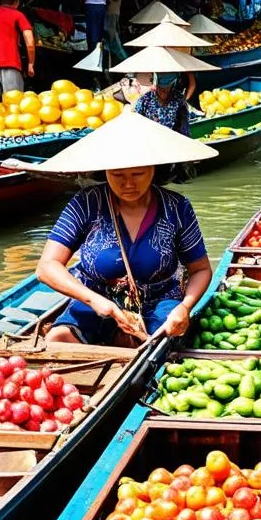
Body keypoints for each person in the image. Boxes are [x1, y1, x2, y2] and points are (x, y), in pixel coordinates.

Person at [35, 112, 215, 345]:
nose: (128, 184)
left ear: (153, 169)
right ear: (105, 171)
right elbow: (46, 267)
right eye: (117, 175)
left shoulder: (176, 207)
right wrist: (94, 300)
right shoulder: (86, 203)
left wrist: (184, 307)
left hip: (159, 303)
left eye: (137, 174)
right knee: (58, 339)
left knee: (159, 343)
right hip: (96, 301)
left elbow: (200, 270)